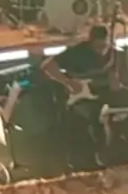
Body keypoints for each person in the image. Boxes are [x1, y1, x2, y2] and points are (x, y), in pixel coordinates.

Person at [41, 25, 121, 167]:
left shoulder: (112, 53)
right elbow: (47, 66)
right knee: (94, 115)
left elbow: (111, 74)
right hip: (80, 97)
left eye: (104, 46)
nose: (101, 50)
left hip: (100, 92)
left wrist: (114, 80)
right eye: (97, 46)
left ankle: (123, 147)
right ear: (90, 42)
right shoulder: (76, 52)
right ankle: (97, 154)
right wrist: (67, 82)